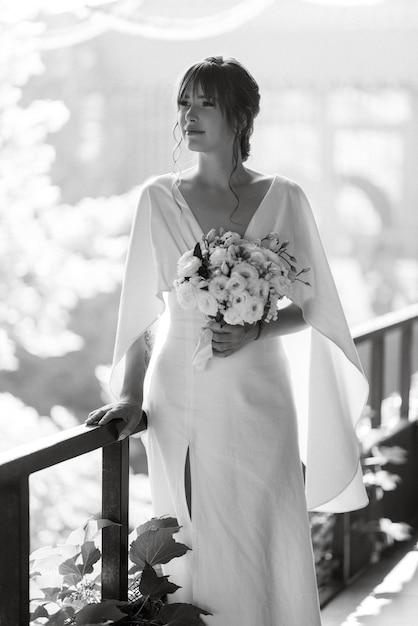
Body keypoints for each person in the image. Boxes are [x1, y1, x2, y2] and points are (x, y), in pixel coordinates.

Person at [87, 56, 369, 625]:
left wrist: (258, 327)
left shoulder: (284, 196)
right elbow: (142, 316)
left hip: (263, 387)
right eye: (184, 103)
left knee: (265, 523)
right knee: (192, 532)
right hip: (181, 387)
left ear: (241, 115)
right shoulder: (158, 199)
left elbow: (314, 306)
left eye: (204, 103)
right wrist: (130, 396)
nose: (188, 116)